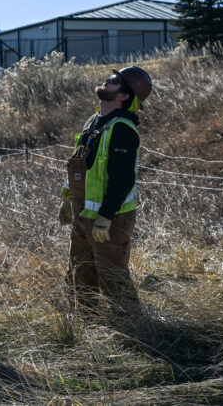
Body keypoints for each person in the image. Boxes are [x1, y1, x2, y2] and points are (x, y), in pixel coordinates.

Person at [59, 65, 152, 314]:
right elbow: (79, 164)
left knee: (114, 280)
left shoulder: (122, 129)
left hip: (110, 219)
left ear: (124, 96)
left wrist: (106, 216)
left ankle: (134, 331)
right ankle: (86, 325)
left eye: (113, 80)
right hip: (84, 213)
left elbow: (122, 180)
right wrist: (68, 200)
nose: (106, 80)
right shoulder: (94, 122)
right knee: (80, 274)